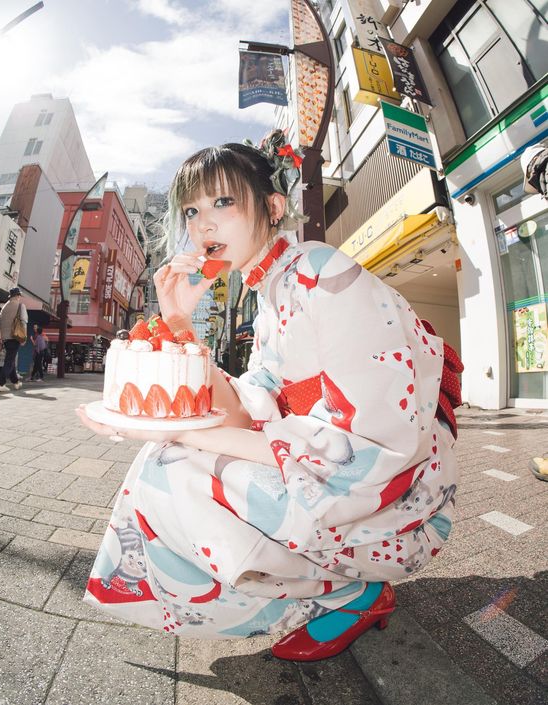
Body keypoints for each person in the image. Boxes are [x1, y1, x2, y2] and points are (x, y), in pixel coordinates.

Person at [77, 130, 461, 661]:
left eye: (224, 201)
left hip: (395, 504)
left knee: (173, 467)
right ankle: (333, 590)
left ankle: (350, 593)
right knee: (169, 457)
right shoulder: (272, 295)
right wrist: (179, 323)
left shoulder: (322, 272)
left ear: (274, 206)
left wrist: (180, 432)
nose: (202, 223)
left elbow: (370, 446)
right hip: (340, 484)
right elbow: (243, 414)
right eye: (190, 210)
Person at [0, 287, 27, 392]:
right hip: (15, 336)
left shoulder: (4, 307)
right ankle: (1, 384)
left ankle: (16, 382)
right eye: (19, 296)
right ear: (18, 296)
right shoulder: (20, 306)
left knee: (11, 359)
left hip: (5, 338)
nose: (20, 298)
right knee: (9, 361)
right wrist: (24, 338)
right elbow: (23, 322)